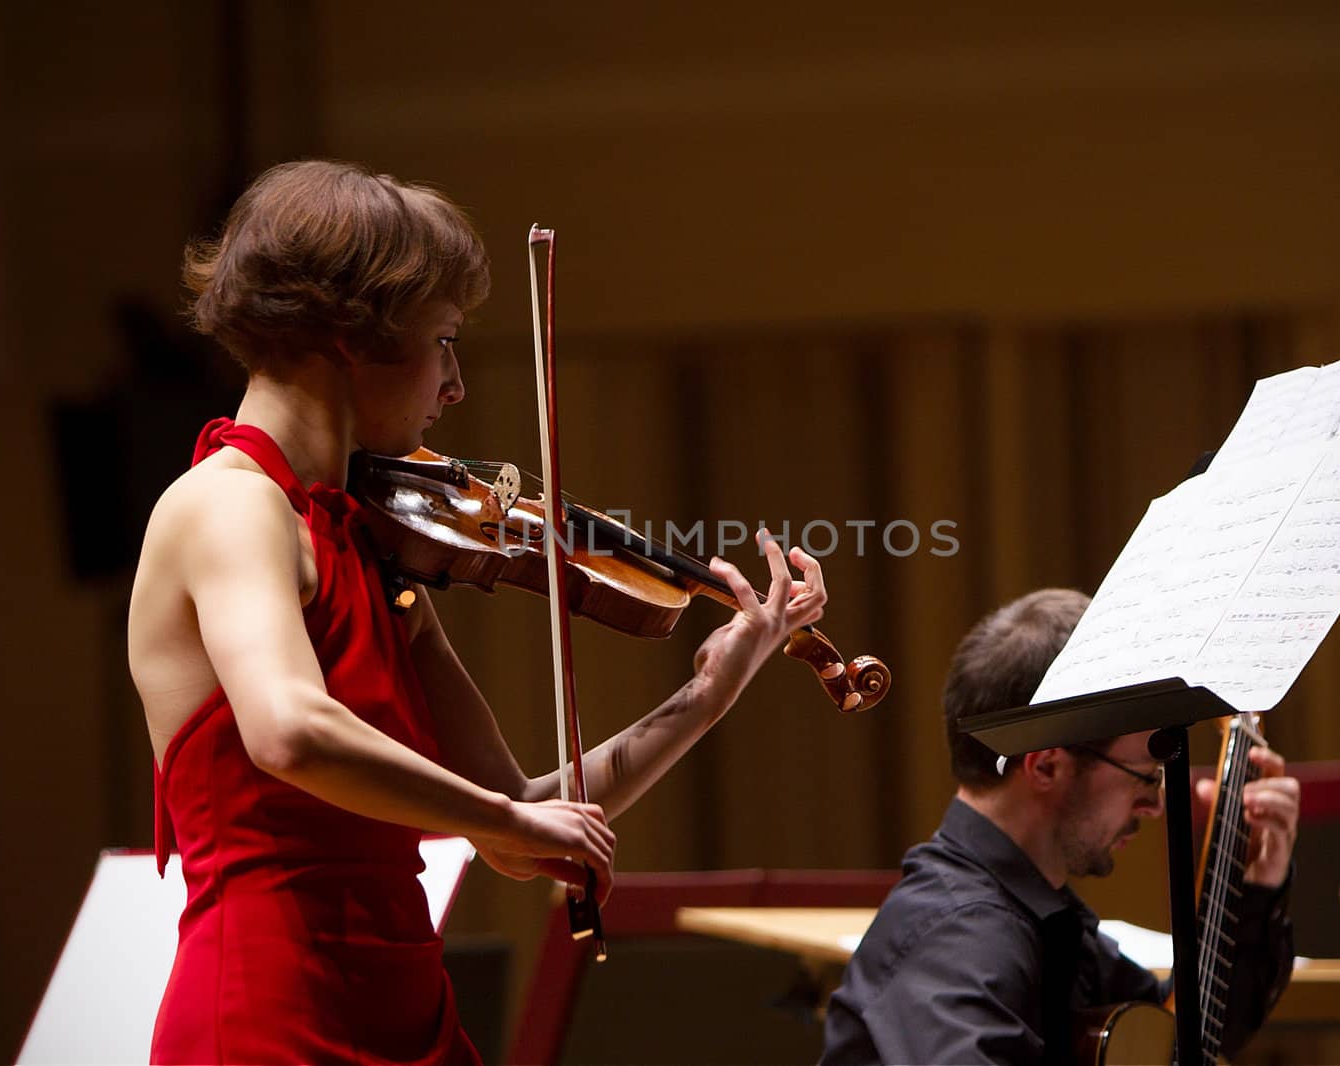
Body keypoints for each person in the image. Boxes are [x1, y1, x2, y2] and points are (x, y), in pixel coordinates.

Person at [128, 159, 828, 1064]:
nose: (453, 385)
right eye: (444, 339)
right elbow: (289, 732)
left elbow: (523, 817)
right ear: (351, 334)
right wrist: (503, 825)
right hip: (267, 1013)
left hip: (406, 1008)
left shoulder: (370, 546)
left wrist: (710, 692)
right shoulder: (226, 505)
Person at [822, 588, 1299, 1066]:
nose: (1155, 806)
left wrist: (1255, 883)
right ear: (1047, 767)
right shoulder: (961, 944)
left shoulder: (1035, 917)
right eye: (1146, 775)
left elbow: (1186, 1042)